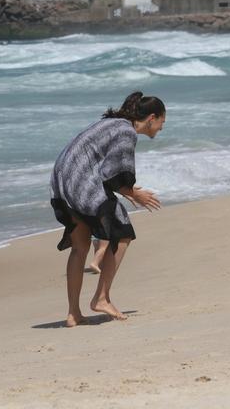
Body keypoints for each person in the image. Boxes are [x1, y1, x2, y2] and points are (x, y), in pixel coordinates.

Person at [50, 91, 165, 327]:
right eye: (163, 121)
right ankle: (102, 298)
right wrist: (135, 194)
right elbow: (113, 174)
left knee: (80, 245)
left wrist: (127, 192)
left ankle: (73, 314)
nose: (161, 128)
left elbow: (107, 172)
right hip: (80, 181)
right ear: (152, 117)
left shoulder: (112, 124)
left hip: (61, 180)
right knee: (121, 233)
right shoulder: (126, 131)